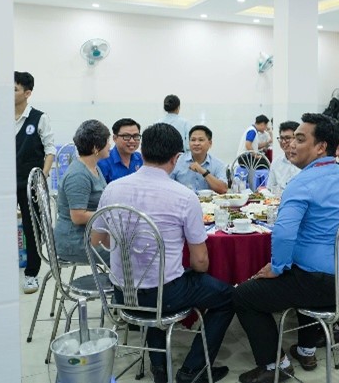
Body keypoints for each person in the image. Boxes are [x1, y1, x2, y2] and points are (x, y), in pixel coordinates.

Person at [92, 123, 233, 383]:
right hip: (165, 295)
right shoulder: (184, 196)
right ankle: (193, 370)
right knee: (226, 296)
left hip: (122, 292)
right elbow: (201, 262)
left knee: (156, 281)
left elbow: (97, 240)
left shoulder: (113, 189)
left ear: (142, 151)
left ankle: (160, 368)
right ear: (176, 157)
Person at [233, 113, 339, 383]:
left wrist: (277, 267)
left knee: (244, 295)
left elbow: (283, 233)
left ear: (321, 147)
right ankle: (306, 350)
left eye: (300, 139)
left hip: (319, 284)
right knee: (300, 271)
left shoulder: (302, 183)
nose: (291, 145)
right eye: (291, 139)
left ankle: (275, 365)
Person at [15, 71, 56, 294]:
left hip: (30, 182)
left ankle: (31, 274)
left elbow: (50, 150)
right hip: (2, 184)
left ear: (27, 93)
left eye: (14, 89)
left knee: (32, 230)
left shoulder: (39, 118)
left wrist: (42, 176)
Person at [54, 120, 111, 264]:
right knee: (126, 253)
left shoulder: (93, 167)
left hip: (91, 233)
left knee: (130, 244)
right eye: (107, 142)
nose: (110, 146)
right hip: (75, 242)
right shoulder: (78, 175)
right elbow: (78, 217)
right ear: (96, 148)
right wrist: (112, 214)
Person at [171, 125, 228, 194]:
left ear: (210, 143)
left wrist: (203, 172)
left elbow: (223, 189)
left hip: (209, 201)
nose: (196, 143)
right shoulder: (177, 161)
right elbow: (167, 185)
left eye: (201, 140)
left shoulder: (218, 164)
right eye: (193, 140)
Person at [97, 118, 144, 184]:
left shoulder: (141, 159)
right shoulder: (103, 162)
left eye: (136, 136)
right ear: (115, 138)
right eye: (126, 136)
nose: (132, 141)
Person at [266, 120, 300, 191]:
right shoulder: (276, 162)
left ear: (298, 139)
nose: (283, 142)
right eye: (281, 138)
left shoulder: (306, 162)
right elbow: (270, 188)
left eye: (287, 138)